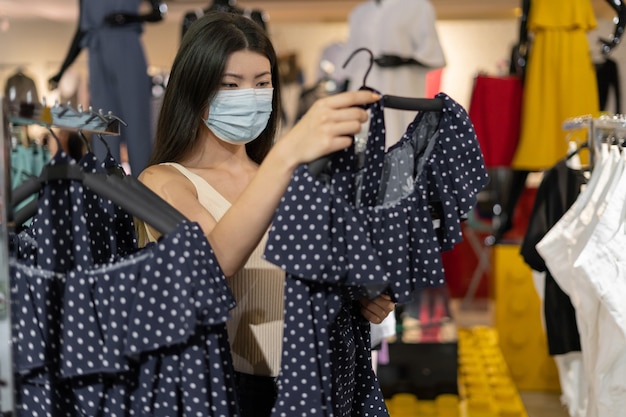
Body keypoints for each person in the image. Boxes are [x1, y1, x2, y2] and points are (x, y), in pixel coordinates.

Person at [137, 12, 395, 417]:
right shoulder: (164, 181)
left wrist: (361, 299)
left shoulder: (285, 179)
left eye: (261, 83)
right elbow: (212, 262)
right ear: (195, 88)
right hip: (229, 393)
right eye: (230, 84)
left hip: (316, 382)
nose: (251, 96)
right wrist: (288, 154)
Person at [48, 0, 167, 176]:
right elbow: (81, 30)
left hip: (127, 46)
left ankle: (145, 189)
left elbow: (159, 11)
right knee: (102, 128)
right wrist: (61, 71)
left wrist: (131, 17)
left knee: (137, 125)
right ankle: (108, 194)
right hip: (97, 52)